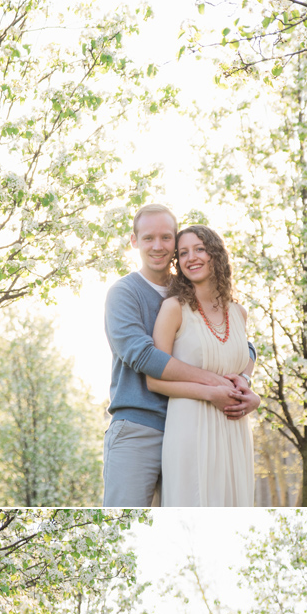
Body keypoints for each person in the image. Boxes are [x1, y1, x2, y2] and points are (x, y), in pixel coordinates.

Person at [102, 204, 259, 506]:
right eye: (148, 238)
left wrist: (243, 383)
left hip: (192, 426)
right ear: (134, 242)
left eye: (166, 237)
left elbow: (243, 346)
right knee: (127, 516)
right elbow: (143, 357)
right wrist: (213, 385)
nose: (158, 246)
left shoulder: (189, 291)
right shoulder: (124, 293)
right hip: (140, 427)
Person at [147, 225, 255, 506]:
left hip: (234, 430)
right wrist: (209, 393)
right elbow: (154, 381)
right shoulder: (173, 309)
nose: (191, 257)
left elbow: (241, 366)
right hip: (190, 427)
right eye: (183, 253)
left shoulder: (239, 312)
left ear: (215, 254)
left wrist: (249, 391)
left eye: (199, 249)